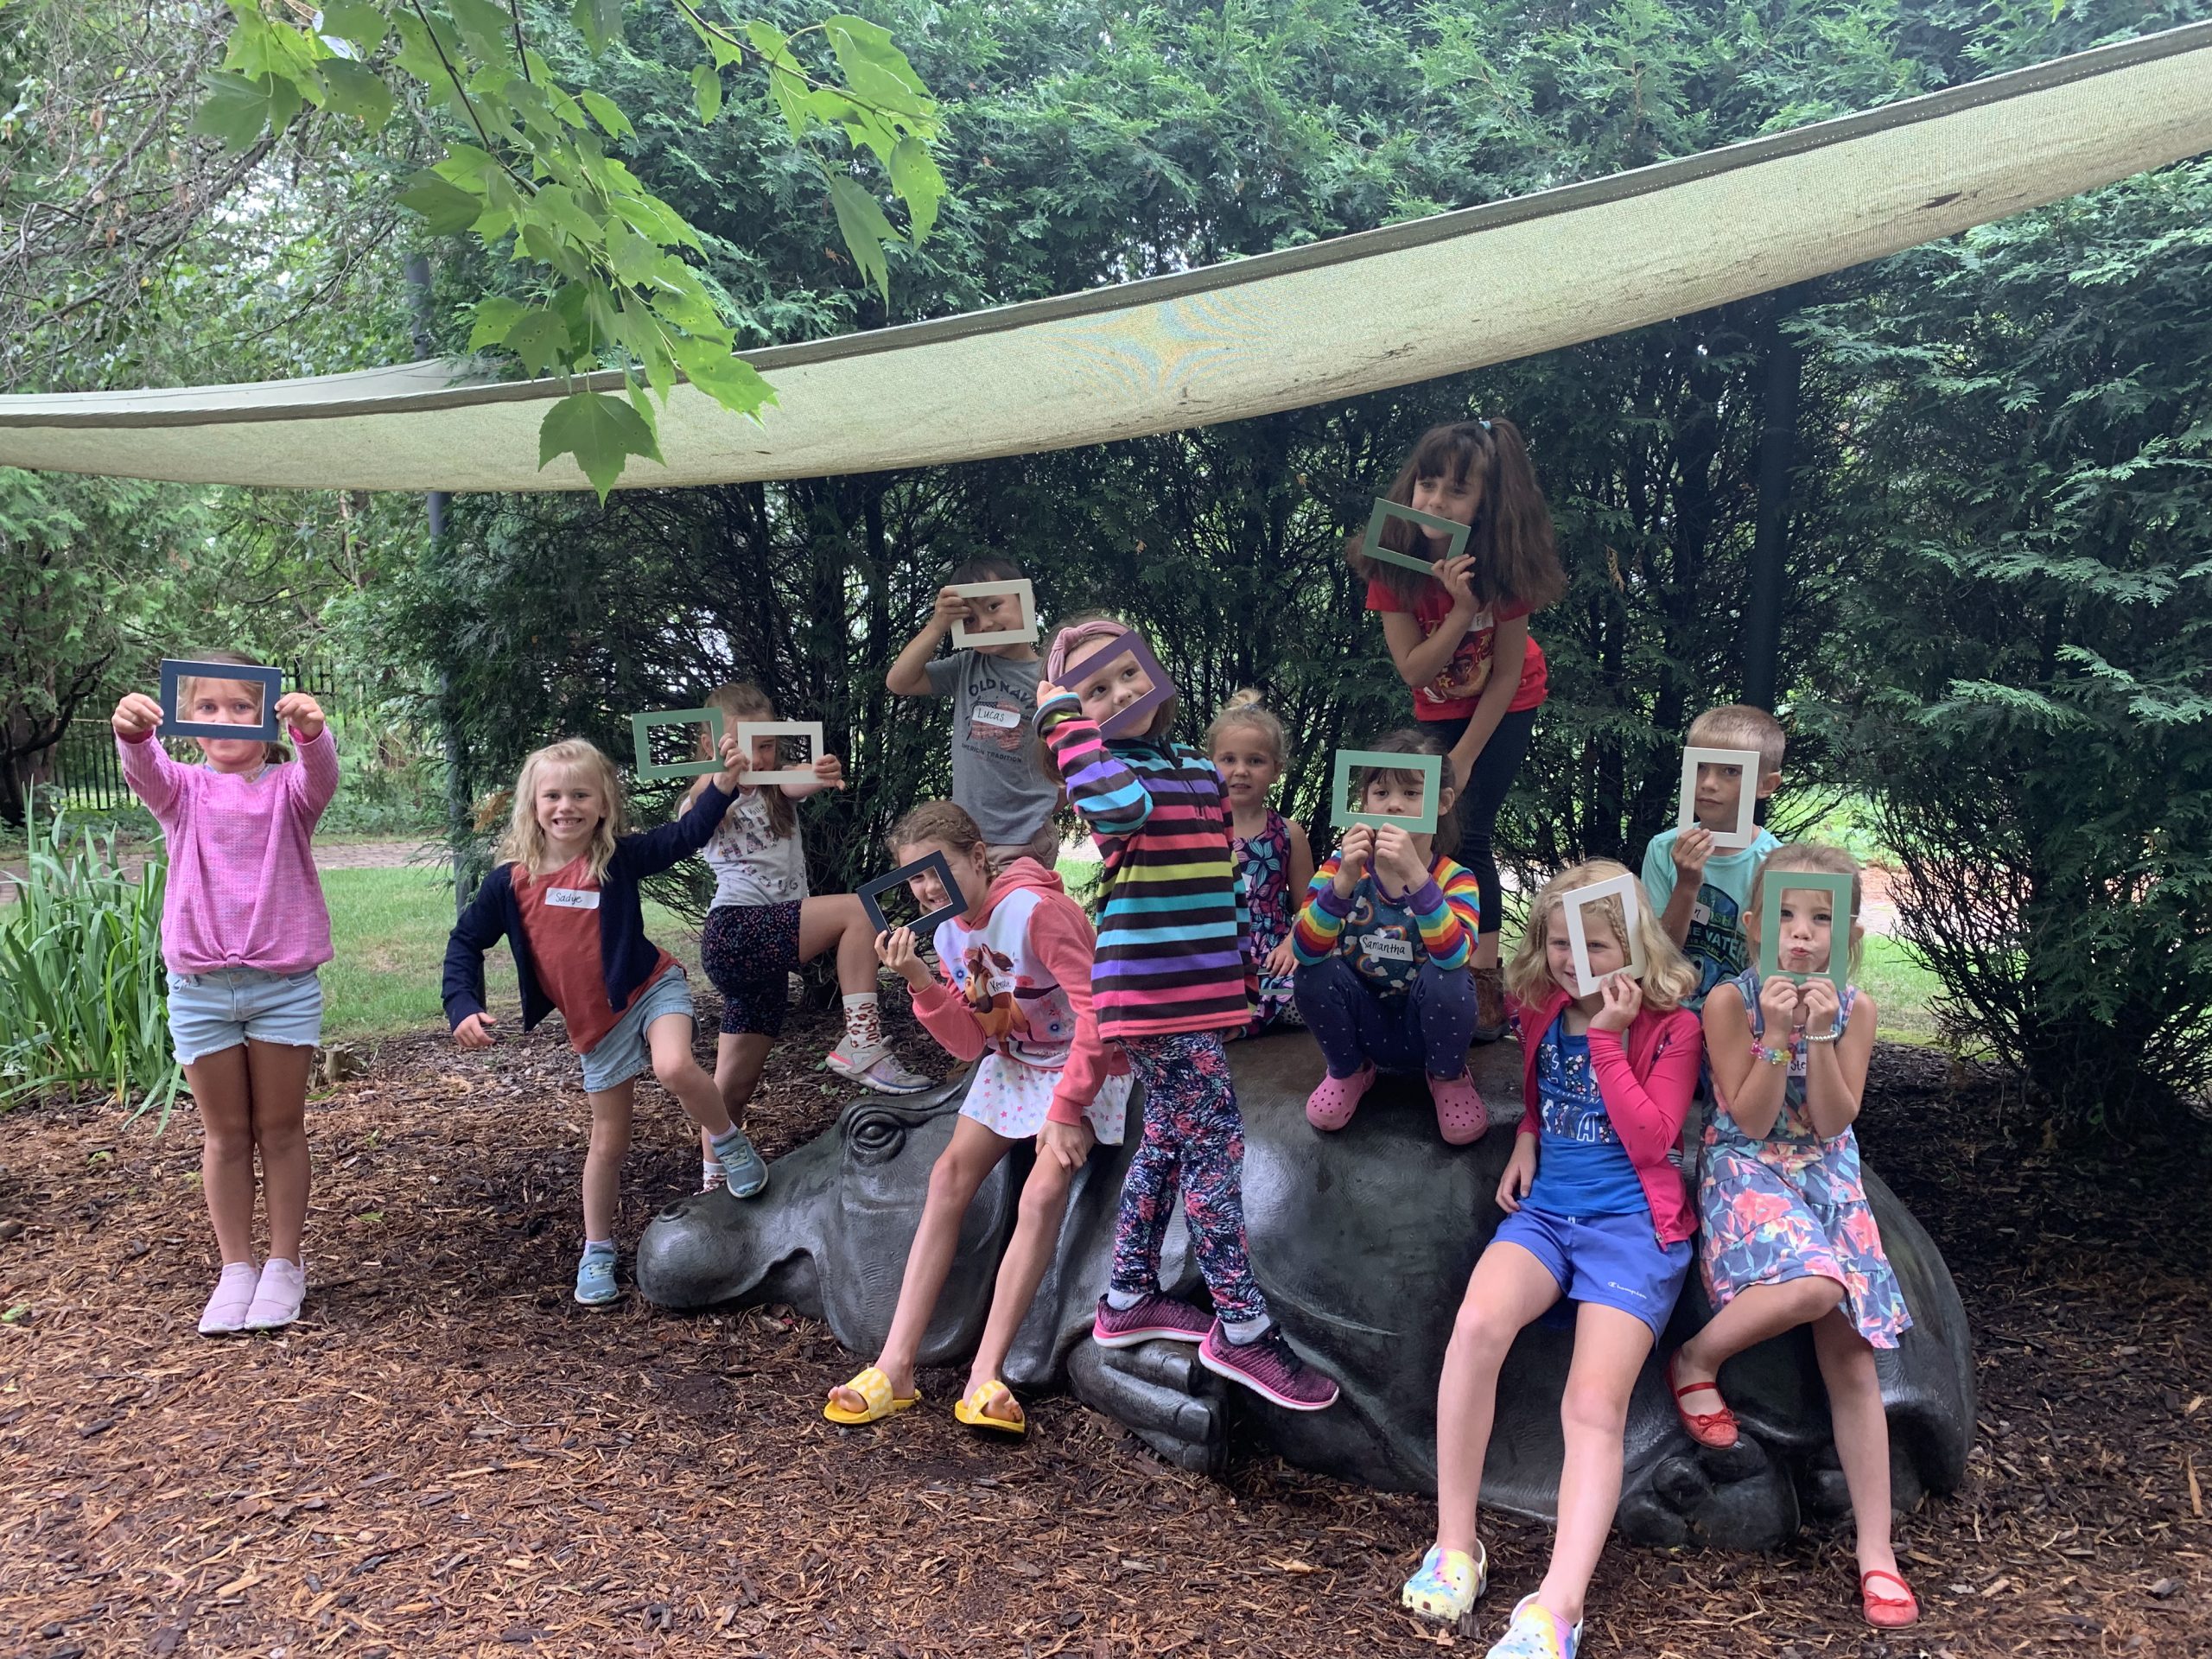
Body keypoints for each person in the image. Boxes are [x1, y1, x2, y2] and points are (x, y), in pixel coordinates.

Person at [1036, 615, 1338, 1411]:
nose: (1118, 695)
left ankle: (1129, 1295)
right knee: (1217, 1144)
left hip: (1195, 985)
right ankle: (1240, 1328)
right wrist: (1062, 720)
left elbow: (1217, 878)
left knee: (1169, 1137)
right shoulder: (1103, 772)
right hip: (1149, 989)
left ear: (1155, 673)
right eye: (1093, 690)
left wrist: (1236, 974)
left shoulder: (1189, 765)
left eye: (1127, 675)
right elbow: (1123, 809)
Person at [1402, 861, 1700, 1658]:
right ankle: (1455, 1546)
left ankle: (1558, 1607)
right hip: (1547, 1217)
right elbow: (1541, 1097)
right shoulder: (1542, 1008)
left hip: (1634, 1229)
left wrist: (1607, 1039)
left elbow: (1651, 1138)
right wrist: (1529, 1137)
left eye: (1595, 943)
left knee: (1592, 1406)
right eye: (1560, 941)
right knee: (1475, 1329)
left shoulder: (1674, 1027)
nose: (1574, 959)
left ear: (1632, 943)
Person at [1666, 844, 1916, 1630]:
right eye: (1783, 914)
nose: (1800, 933)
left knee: (1851, 1349)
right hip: (1749, 1164)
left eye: (1820, 917)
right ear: (1751, 925)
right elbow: (1747, 1116)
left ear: (1849, 936)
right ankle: (1696, 1358)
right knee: (1814, 1286)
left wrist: (1815, 1034)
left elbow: (1838, 1118)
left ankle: (1877, 1553)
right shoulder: (1728, 1005)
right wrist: (1776, 1032)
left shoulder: (1859, 1008)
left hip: (1829, 1170)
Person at [823, 802, 1132, 1436]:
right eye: (914, 879)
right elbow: (971, 1044)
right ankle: (896, 1365)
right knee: (947, 1178)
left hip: (1083, 1064)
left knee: (1043, 1191)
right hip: (1015, 1065)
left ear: (977, 857)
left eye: (937, 870)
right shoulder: (946, 936)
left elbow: (1100, 1015)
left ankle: (985, 1375)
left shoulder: (1038, 914)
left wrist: (1068, 1110)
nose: (928, 888)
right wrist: (916, 979)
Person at [442, 734, 771, 1306]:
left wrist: (721, 786)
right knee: (607, 1143)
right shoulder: (510, 883)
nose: (565, 807)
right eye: (553, 796)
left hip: (649, 988)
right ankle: (597, 1250)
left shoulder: (614, 859)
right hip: (596, 1026)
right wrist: (462, 1005)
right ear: (532, 805)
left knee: (673, 1065)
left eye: (579, 795)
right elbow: (466, 941)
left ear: (602, 805)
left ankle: (727, 1142)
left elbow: (684, 836)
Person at [112, 652, 338, 1336]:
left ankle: (284, 1264)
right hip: (200, 991)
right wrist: (132, 733)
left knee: (279, 1129)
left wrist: (312, 734)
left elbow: (321, 775)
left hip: (282, 990)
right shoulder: (182, 790)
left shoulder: (288, 792)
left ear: (268, 717)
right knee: (225, 1135)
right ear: (186, 719)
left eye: (242, 706)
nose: (224, 719)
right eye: (206, 707)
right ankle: (235, 1267)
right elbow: (144, 770)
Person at [1350, 416, 1567, 1039]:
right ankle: (1420, 961)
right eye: (1428, 484)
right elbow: (1415, 668)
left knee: (1469, 833)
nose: (1436, 502)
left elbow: (1504, 677)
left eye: (1457, 491)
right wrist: (1461, 612)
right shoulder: (1392, 564)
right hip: (1436, 705)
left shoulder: (1504, 564)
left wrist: (1467, 757)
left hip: (1507, 702)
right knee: (1429, 834)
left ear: (1485, 503)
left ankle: (1483, 983)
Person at [689, 683, 929, 1192]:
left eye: (768, 743)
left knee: (731, 1089)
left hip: (765, 952)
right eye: (743, 743)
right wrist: (720, 780)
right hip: (734, 932)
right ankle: (861, 1042)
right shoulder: (705, 796)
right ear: (711, 745)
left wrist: (818, 776)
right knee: (859, 909)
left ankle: (710, 1188)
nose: (759, 755)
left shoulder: (776, 788)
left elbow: (797, 781)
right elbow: (694, 816)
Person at [1288, 730, 1488, 1142]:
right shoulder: (1341, 869)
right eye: (1380, 791)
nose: (1394, 804)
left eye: (1412, 792)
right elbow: (1304, 949)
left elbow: (1454, 958)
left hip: (1427, 1030)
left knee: (1448, 977)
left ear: (1442, 803)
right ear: (1364, 803)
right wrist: (1343, 882)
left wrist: (1418, 877)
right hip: (1364, 1028)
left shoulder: (1457, 879)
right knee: (1312, 971)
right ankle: (1349, 1072)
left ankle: (1448, 1078)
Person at [886, 555, 1063, 868]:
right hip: (969, 837)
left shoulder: (1050, 675)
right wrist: (937, 625)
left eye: (994, 606)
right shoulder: (966, 666)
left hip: (1024, 838)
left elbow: (1070, 748)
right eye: (969, 620)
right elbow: (899, 681)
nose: (985, 624)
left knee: (1016, 914)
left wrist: (1048, 805)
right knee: (976, 916)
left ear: (1026, 599)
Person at [1640, 703, 1787, 1007]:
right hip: (1674, 1016)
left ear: (1766, 785)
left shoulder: (1778, 863)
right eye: (1700, 767)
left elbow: (1781, 961)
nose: (1708, 783)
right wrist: (1687, 884)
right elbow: (1658, 955)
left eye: (1730, 771)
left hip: (1745, 1020)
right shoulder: (1662, 848)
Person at [1205, 692, 1313, 1036]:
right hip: (1214, 951)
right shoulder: (1198, 830)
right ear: (1210, 765)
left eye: (1255, 761)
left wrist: (1292, 943)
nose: (1240, 771)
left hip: (1272, 958)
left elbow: (1310, 907)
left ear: (1277, 769)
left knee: (1312, 993)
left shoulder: (1289, 833)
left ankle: (1239, 1020)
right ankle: (1226, 1019)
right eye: (1228, 759)